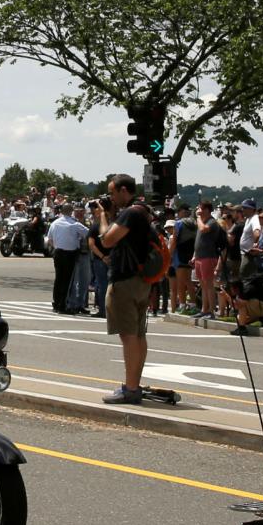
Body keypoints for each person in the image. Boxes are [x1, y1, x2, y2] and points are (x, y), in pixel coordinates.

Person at [91, 173, 159, 405]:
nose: (110, 197)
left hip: (125, 281)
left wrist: (102, 217)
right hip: (141, 280)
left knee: (128, 335)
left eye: (112, 192)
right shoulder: (143, 211)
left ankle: (130, 389)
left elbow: (107, 240)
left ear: (123, 190)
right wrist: (111, 214)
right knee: (138, 335)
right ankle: (134, 385)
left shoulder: (131, 213)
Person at [46, 201, 88, 314]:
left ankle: (56, 303)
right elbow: (88, 233)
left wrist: (56, 246)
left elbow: (49, 239)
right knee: (67, 280)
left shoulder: (55, 223)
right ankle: (62, 305)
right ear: (71, 212)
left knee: (59, 279)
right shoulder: (75, 223)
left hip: (58, 252)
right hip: (70, 254)